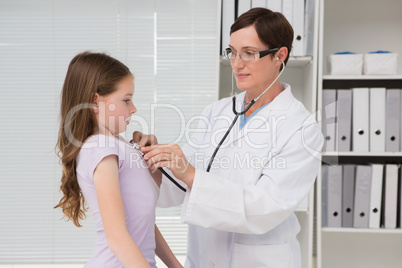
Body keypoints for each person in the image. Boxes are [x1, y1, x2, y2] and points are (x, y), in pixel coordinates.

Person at [132, 7, 324, 268]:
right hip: (202, 258)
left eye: (249, 53)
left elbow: (264, 208)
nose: (236, 63)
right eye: (232, 52)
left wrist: (188, 173)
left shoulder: (302, 128)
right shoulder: (218, 111)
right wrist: (158, 160)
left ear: (280, 55)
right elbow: (183, 184)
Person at [54, 51, 183, 268]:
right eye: (126, 100)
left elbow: (142, 225)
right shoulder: (100, 148)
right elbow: (117, 237)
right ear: (95, 101)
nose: (134, 109)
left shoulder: (118, 145)